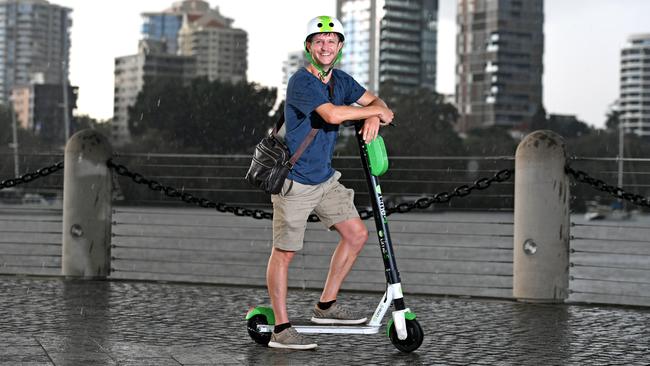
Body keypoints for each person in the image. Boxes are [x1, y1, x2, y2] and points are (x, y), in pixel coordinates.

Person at [266, 15, 394, 350]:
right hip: (294, 181)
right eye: (319, 41)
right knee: (285, 253)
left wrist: (375, 116)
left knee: (357, 234)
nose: (325, 46)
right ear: (309, 47)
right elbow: (333, 115)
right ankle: (281, 329)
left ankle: (325, 307)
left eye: (331, 41)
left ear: (339, 46)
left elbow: (382, 106)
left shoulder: (340, 80)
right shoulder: (302, 82)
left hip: (324, 178)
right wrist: (369, 114)